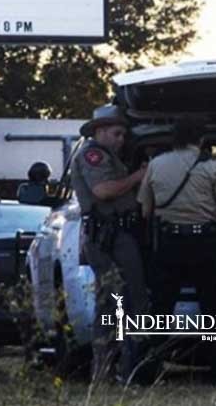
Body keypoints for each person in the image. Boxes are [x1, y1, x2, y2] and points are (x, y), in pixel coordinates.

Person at [137, 119, 216, 384]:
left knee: (160, 308)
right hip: (205, 245)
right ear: (201, 140)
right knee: (215, 308)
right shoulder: (211, 167)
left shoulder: (156, 165)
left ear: (174, 139)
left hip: (169, 245)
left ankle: (149, 370)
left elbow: (145, 211)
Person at [71, 104, 148, 384]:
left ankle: (112, 372)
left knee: (116, 302)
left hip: (115, 236)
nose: (121, 140)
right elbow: (103, 191)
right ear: (100, 131)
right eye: (116, 134)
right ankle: (124, 372)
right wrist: (137, 177)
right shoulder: (93, 155)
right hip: (109, 238)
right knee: (122, 302)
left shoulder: (107, 156)